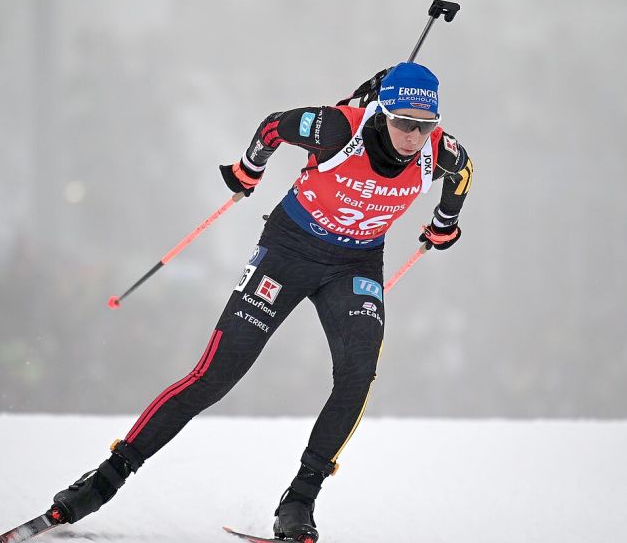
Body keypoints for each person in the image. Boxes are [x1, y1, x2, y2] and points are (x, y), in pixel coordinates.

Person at [49, 62, 474, 542]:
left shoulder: (441, 151)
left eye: (424, 124)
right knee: (215, 376)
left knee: (357, 373)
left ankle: (299, 501)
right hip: (290, 249)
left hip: (355, 266)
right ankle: (107, 476)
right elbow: (275, 125)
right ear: (382, 110)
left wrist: (444, 223)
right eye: (403, 121)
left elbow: (464, 173)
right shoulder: (337, 128)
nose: (413, 136)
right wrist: (249, 169)